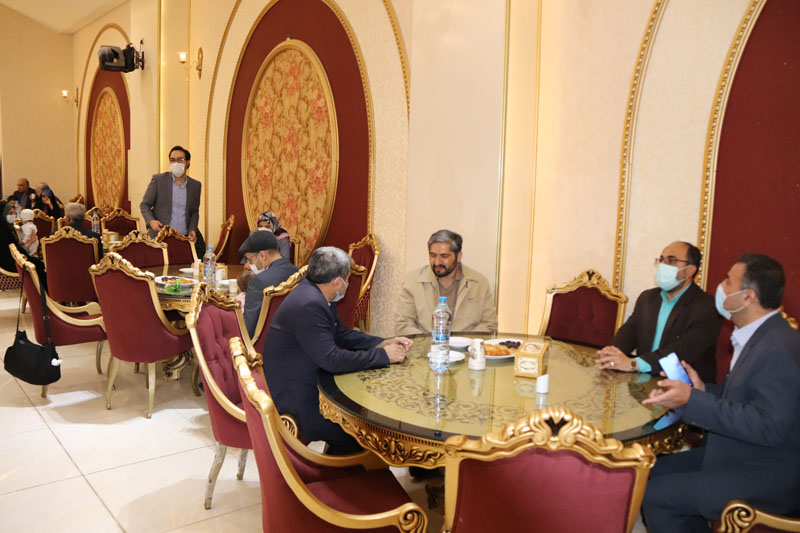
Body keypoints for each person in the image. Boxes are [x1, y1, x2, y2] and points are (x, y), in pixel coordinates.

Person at [641, 254, 800, 532]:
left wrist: (692, 400)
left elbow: (767, 425)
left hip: (767, 471)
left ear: (748, 297)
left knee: (657, 498)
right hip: (739, 452)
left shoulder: (778, 347)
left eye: (728, 281)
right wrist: (702, 390)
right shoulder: (759, 333)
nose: (720, 286)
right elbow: (744, 398)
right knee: (651, 472)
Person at [263, 246, 412, 454]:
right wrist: (383, 356)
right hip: (296, 398)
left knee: (361, 417)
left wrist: (382, 343)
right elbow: (332, 360)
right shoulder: (310, 304)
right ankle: (336, 472)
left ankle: (339, 467)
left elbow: (341, 334)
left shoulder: (317, 292)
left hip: (309, 381)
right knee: (365, 433)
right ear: (337, 282)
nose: (347, 284)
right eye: (347, 279)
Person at [596, 241, 723, 382]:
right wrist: (612, 353)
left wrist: (634, 364)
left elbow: (683, 350)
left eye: (672, 260)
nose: (664, 265)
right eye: (662, 260)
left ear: (690, 270)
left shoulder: (708, 307)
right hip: (642, 382)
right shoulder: (647, 298)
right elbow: (630, 331)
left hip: (685, 387)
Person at [395, 229, 498, 335]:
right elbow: (403, 325)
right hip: (424, 344)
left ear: (458, 257)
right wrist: (430, 341)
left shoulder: (479, 283)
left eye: (444, 256)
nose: (437, 262)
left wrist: (461, 340)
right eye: (433, 255)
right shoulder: (413, 280)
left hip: (466, 345)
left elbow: (490, 325)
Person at [140, 145, 203, 252]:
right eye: (172, 160)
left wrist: (192, 229)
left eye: (180, 160)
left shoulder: (195, 185)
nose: (176, 163)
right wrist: (151, 221)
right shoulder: (158, 180)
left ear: (187, 163)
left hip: (183, 239)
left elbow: (194, 211)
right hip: (160, 238)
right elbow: (144, 205)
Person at [238, 230, 299, 337]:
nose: (250, 264)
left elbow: (248, 329)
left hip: (267, 343)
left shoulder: (258, 282)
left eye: (250, 260)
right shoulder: (299, 273)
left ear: (262, 255)